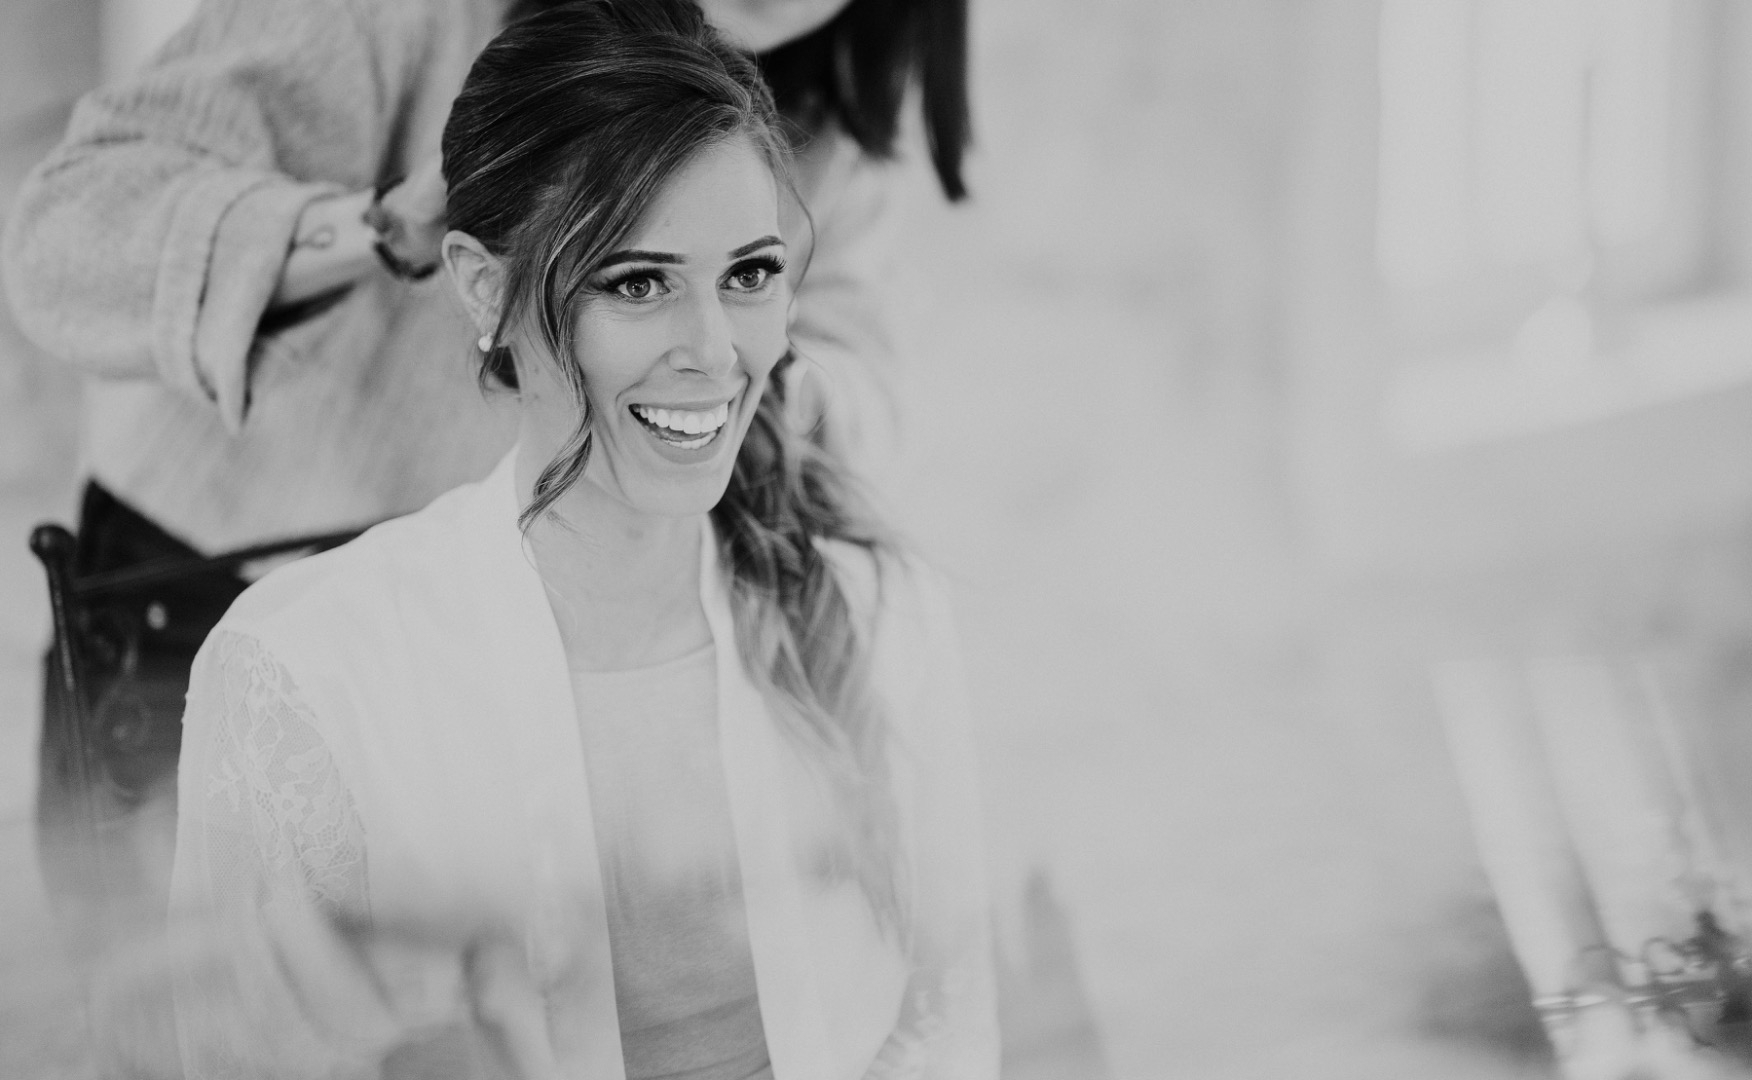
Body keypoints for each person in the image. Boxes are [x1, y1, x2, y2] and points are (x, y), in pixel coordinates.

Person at [1, 0, 969, 962]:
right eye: (634, 278)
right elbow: (65, 240)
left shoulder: (828, 139)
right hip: (194, 604)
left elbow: (860, 396)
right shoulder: (403, 16)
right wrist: (385, 228)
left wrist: (719, 362)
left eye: (754, 273)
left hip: (502, 664)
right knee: (187, 1007)